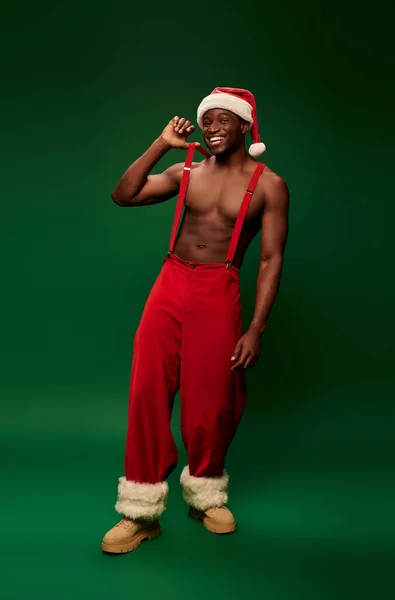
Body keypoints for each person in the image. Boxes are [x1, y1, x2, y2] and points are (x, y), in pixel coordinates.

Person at [102, 87, 289, 554]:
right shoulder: (186, 170)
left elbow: (270, 259)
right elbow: (124, 195)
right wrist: (161, 144)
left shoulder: (269, 184)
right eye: (207, 121)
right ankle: (140, 512)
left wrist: (256, 328)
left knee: (213, 397)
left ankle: (205, 493)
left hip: (219, 286)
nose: (212, 128)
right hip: (170, 281)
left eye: (224, 120)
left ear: (246, 126)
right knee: (148, 388)